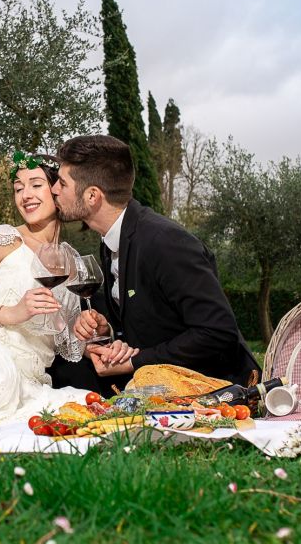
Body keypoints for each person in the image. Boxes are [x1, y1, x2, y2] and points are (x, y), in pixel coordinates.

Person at [0, 152, 134, 432]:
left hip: (31, 378)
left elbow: (62, 341)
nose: (25, 195)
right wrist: (11, 313)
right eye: (18, 188)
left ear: (57, 190)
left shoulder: (71, 259)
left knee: (88, 414)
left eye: (35, 184)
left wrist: (91, 334)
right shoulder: (4, 239)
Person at [49, 135, 261, 394]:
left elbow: (217, 331)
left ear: (93, 195)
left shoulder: (166, 242)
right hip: (158, 383)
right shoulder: (112, 240)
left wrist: (133, 362)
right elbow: (152, 320)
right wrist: (112, 333)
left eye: (62, 183)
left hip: (214, 389)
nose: (54, 190)